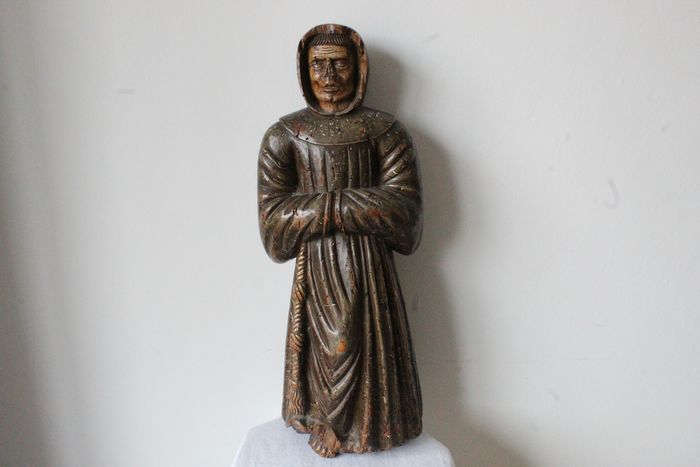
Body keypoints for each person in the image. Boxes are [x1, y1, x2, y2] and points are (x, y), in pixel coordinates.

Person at [257, 23, 423, 457]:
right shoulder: (284, 136)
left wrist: (322, 206)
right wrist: (354, 205)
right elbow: (273, 228)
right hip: (315, 273)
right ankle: (325, 420)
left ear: (359, 66)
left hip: (371, 272)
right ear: (304, 69)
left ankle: (372, 425)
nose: (329, 75)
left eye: (339, 63)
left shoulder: (386, 132)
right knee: (325, 350)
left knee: (364, 344)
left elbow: (406, 217)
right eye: (318, 65)